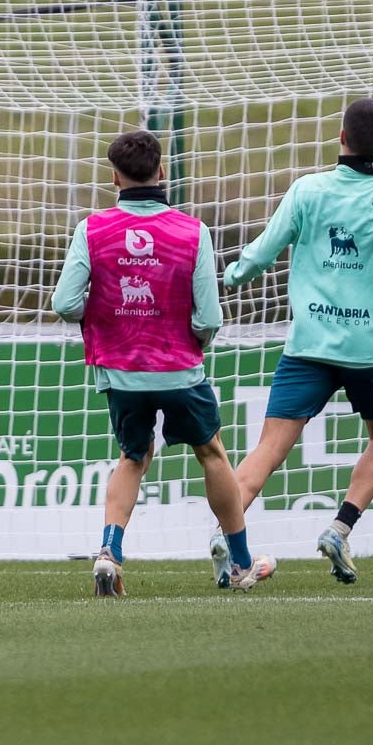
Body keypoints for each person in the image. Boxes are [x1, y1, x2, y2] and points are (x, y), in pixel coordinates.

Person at [221, 97, 373, 585]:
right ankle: (341, 527)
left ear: (340, 137)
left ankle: (228, 528)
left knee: (270, 446)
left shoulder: (308, 191)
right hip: (368, 353)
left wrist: (232, 276)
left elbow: (262, 252)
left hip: (308, 346)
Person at [52, 130, 273, 596]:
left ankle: (109, 553)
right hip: (178, 369)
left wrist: (110, 314)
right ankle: (240, 563)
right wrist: (194, 340)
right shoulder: (192, 231)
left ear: (114, 176)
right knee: (211, 452)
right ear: (162, 171)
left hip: (121, 370)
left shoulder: (93, 229)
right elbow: (209, 317)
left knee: (133, 457)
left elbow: (65, 302)